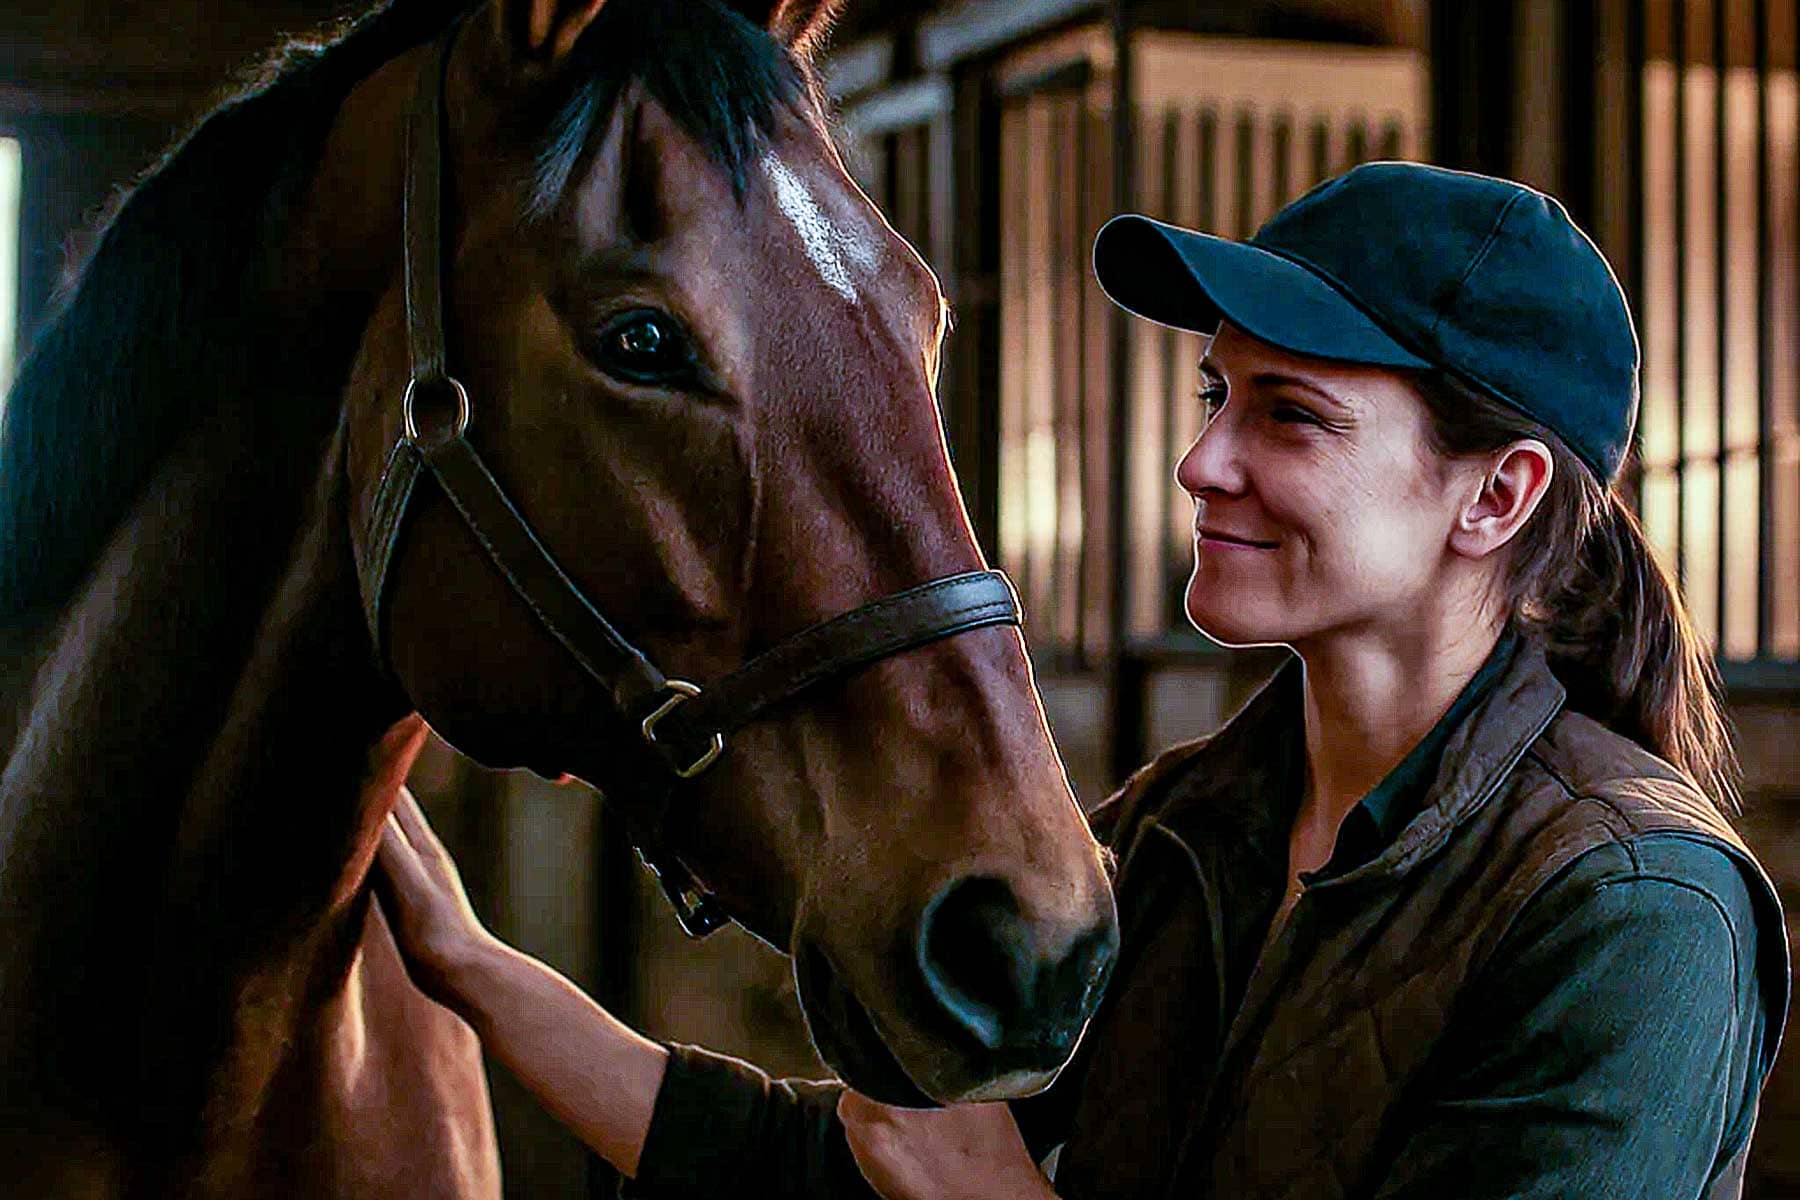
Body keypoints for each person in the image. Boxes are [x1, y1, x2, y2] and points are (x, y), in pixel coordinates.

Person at [374, 161, 1790, 1199]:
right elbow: (848, 1165)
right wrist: (473, 971)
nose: (1201, 462)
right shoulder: (1183, 831)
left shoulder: (1637, 913)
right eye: (1217, 396)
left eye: (1291, 416)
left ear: (1497, 495)